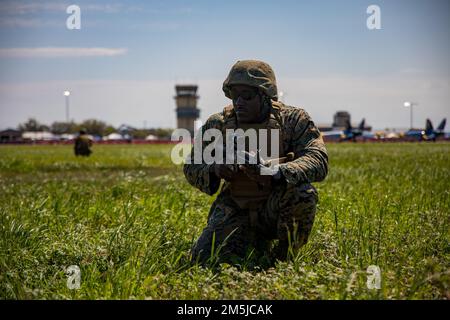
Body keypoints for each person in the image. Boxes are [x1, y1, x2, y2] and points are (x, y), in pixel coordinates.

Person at [184, 60, 328, 265]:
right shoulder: (218, 124)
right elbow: (191, 166)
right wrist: (215, 169)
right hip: (235, 206)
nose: (239, 102)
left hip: (276, 204)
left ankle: (285, 258)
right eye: (235, 95)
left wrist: (276, 171)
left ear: (265, 95)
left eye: (247, 96)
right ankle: (251, 241)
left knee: (303, 193)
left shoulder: (293, 120)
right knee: (202, 259)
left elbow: (318, 159)